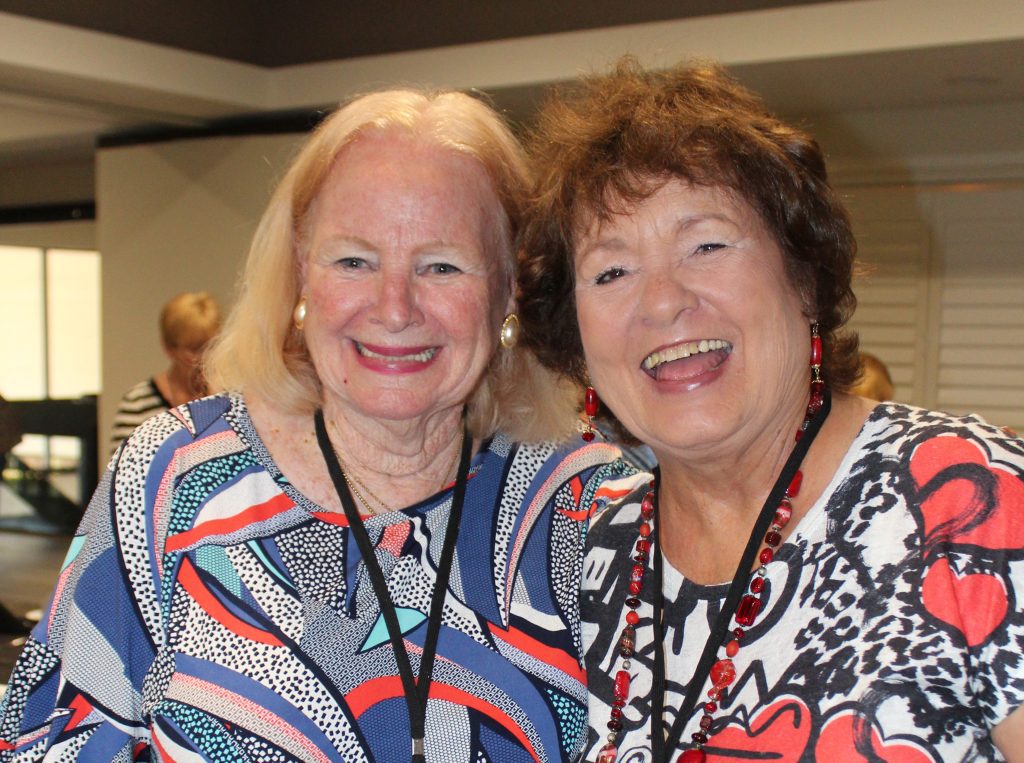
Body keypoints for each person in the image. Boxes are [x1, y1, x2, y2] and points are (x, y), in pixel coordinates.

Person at [0, 89, 641, 762]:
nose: (394, 308)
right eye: (354, 261)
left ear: (509, 285)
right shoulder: (174, 477)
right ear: (302, 271)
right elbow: (46, 742)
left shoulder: (585, 505)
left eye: (441, 266)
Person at [518, 59, 1024, 762]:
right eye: (612, 271)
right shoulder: (590, 549)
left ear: (804, 277)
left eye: (706, 245)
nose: (661, 301)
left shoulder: (974, 501)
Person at [108, 291, 221, 453]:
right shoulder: (138, 403)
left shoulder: (229, 398)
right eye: (194, 349)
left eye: (211, 346)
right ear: (169, 348)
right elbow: (123, 465)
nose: (204, 357)